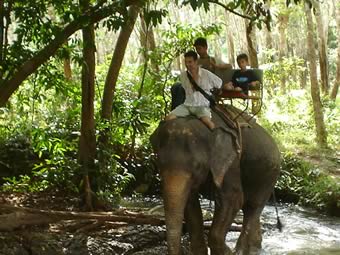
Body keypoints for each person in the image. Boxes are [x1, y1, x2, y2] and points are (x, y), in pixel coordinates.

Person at [165, 50, 224, 130]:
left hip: (202, 106)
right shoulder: (183, 76)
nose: (187, 64)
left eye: (190, 62)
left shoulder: (206, 74)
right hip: (187, 105)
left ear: (196, 61)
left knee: (208, 123)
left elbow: (219, 83)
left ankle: (215, 136)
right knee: (168, 118)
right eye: (186, 62)